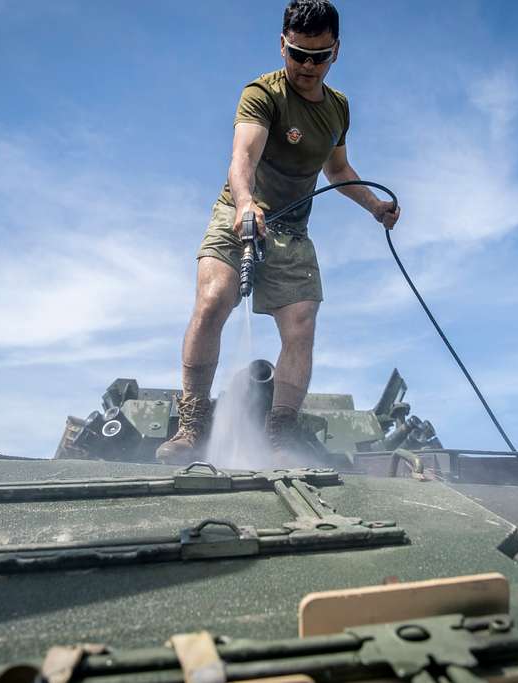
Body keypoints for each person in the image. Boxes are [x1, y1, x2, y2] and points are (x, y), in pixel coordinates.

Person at [156, 0, 400, 464]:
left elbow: (339, 167)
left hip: (292, 231)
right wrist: (246, 204)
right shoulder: (261, 93)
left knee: (301, 325)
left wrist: (374, 207)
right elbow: (242, 158)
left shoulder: (338, 108)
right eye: (297, 54)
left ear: (336, 52)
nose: (307, 67)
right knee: (213, 302)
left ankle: (279, 436)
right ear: (282, 45)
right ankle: (192, 424)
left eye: (319, 56)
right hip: (239, 214)